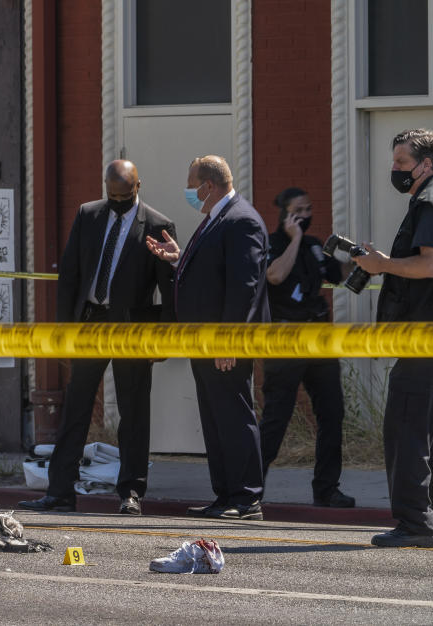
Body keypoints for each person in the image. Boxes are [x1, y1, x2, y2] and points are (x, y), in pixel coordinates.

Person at [18, 160, 177, 514]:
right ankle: (59, 492)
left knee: (133, 411)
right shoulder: (88, 215)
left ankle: (131, 493)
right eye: (112, 194)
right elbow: (70, 275)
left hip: (131, 329)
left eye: (124, 195)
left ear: (139, 186)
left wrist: (165, 339)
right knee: (76, 406)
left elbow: (170, 291)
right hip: (89, 321)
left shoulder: (157, 224)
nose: (117, 201)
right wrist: (63, 329)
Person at [352, 128, 433, 548]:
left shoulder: (432, 203)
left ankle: (416, 523)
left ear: (427, 163)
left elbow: (430, 266)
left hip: (430, 328)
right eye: (395, 162)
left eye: (401, 163)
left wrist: (383, 265)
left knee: (406, 423)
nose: (394, 170)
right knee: (424, 423)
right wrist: (382, 263)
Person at [146, 155, 270, 520]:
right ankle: (226, 494)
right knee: (216, 419)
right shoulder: (216, 219)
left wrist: (228, 340)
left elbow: (243, 287)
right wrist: (178, 259)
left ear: (208, 186)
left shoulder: (241, 220)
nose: (189, 191)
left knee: (233, 415)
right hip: (203, 342)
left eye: (191, 183)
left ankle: (247, 498)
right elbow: (214, 272)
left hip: (224, 342)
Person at [260, 188, 355, 508]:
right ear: (285, 214)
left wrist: (360, 259)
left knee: (332, 413)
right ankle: (249, 487)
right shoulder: (272, 245)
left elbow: (337, 275)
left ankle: (327, 489)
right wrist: (294, 238)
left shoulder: (315, 247)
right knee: (277, 416)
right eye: (298, 209)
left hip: (320, 339)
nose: (305, 214)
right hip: (285, 339)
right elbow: (275, 276)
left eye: (309, 208)